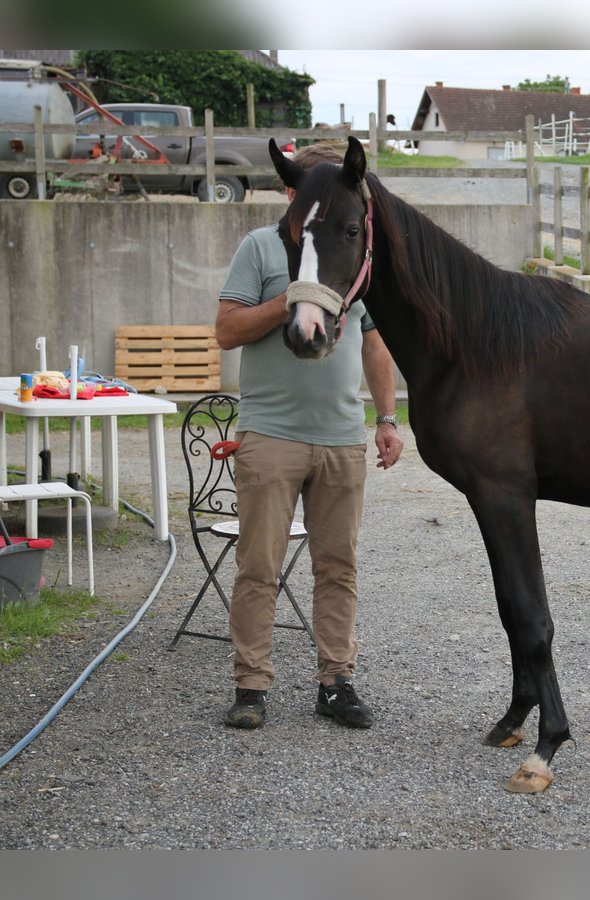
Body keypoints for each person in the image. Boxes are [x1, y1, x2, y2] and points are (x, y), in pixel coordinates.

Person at [214, 143, 403, 730]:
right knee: (259, 566)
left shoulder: (350, 247)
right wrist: (290, 299)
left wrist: (387, 419)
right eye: (306, 190)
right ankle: (251, 685)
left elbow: (373, 341)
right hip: (271, 435)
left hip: (342, 438)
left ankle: (336, 682)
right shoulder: (260, 247)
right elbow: (226, 330)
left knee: (338, 567)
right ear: (292, 191)